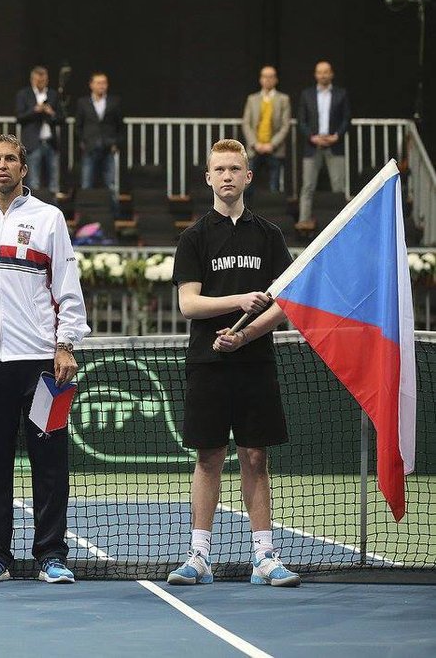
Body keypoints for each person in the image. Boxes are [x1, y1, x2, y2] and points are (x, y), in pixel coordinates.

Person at [168, 138, 300, 588]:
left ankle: (264, 556)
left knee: (256, 457)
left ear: (248, 177)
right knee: (208, 457)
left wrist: (244, 334)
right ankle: (198, 556)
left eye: (234, 169)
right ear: (208, 178)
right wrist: (240, 300)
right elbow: (189, 304)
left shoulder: (270, 236)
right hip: (207, 363)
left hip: (255, 362)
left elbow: (283, 306)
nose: (227, 176)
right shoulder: (194, 238)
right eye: (219, 169)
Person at [0, 134, 88, 583]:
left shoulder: (48, 219)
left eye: (10, 159)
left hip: (42, 365)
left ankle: (51, 555)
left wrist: (66, 345)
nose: (2, 166)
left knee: (50, 461)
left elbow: (68, 287)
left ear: (24, 168)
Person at [296, 61, 351, 230]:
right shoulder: (307, 94)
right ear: (315, 75)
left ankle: (341, 225)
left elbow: (346, 119)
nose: (323, 75)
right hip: (313, 146)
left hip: (335, 145)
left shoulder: (341, 94)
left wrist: (336, 136)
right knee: (308, 186)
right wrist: (312, 137)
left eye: (326, 72)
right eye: (320, 72)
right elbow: (301, 120)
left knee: (338, 187)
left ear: (331, 74)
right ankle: (304, 221)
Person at [75, 72, 122, 211]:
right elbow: (78, 125)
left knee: (110, 184)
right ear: (91, 85)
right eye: (99, 83)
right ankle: (84, 214)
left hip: (108, 147)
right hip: (90, 147)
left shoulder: (114, 102)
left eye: (104, 83)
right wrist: (83, 141)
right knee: (86, 183)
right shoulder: (83, 102)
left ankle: (114, 215)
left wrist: (116, 143)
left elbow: (120, 125)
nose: (102, 86)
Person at [241, 66, 291, 196]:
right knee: (247, 184)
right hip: (254, 148)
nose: (267, 79)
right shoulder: (252, 99)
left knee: (274, 186)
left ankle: (272, 215)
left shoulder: (283, 99)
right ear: (260, 79)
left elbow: (285, 125)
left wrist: (272, 144)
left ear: (276, 80)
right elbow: (246, 123)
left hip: (274, 149)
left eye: (271, 76)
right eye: (265, 76)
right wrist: (255, 143)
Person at [15, 66, 63, 199]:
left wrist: (51, 113)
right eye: (38, 79)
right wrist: (35, 110)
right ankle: (32, 207)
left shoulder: (53, 95)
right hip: (32, 143)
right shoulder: (24, 94)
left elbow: (61, 118)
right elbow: (19, 117)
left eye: (43, 79)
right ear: (32, 79)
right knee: (33, 180)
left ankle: (54, 207)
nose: (41, 82)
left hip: (50, 142)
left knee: (54, 180)